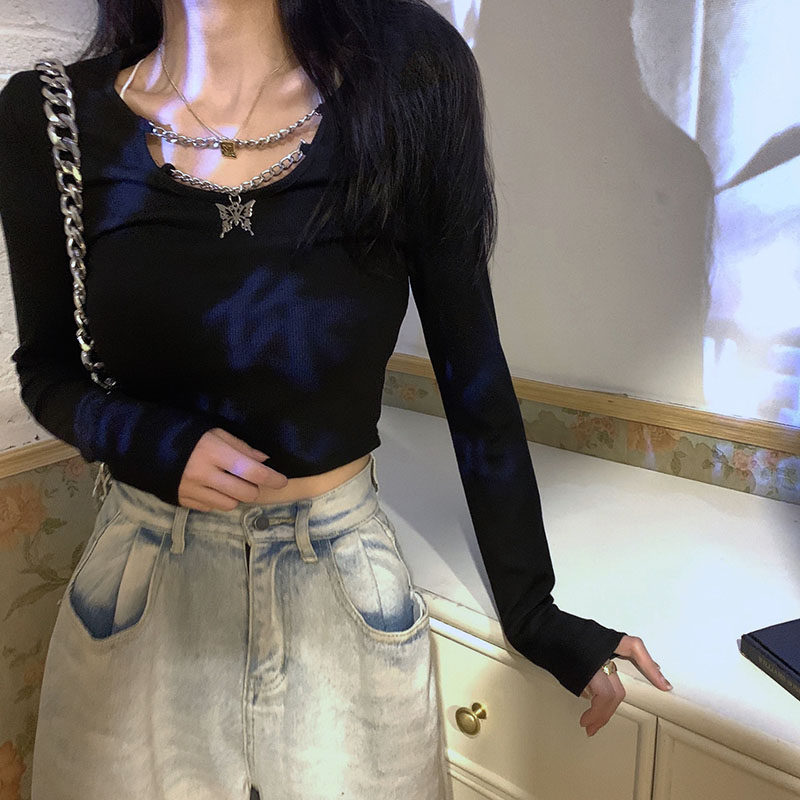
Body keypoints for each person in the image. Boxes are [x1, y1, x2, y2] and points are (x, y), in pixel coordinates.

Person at [0, 0, 672, 798]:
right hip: (139, 595)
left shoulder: (405, 88)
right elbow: (46, 368)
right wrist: (149, 443)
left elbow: (470, 366)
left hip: (342, 585)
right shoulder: (50, 117)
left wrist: (534, 612)